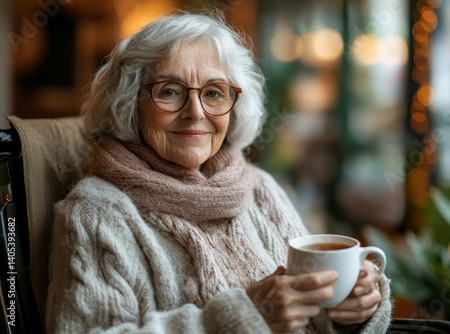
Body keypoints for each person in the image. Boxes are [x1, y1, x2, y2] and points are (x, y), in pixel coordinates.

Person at [45, 10, 392, 334]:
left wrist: (352, 310)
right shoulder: (96, 213)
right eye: (169, 91)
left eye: (213, 92)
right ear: (129, 103)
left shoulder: (259, 188)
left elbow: (314, 312)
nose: (195, 112)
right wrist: (236, 318)